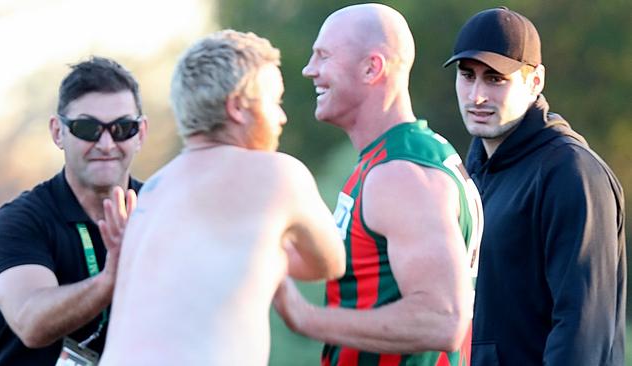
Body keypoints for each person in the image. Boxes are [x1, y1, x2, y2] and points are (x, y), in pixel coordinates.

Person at [98, 30, 346, 366]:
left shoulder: (155, 189)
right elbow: (330, 262)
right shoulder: (278, 174)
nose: (281, 117)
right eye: (274, 102)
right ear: (238, 108)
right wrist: (271, 250)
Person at [272, 4, 483, 365]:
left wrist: (307, 318)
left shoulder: (400, 172)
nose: (310, 70)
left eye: (323, 56)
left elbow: (442, 319)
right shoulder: (395, 158)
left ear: (372, 67)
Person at [443, 7, 626, 366]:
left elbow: (582, 329)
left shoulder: (571, 173)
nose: (476, 96)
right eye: (467, 76)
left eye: (495, 79)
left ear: (535, 81)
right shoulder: (473, 173)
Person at [0, 56, 148, 365]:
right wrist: (110, 279)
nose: (107, 144)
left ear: (141, 133)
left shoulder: (162, 210)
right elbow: (30, 322)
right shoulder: (21, 220)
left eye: (122, 128)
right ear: (58, 132)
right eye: (88, 128)